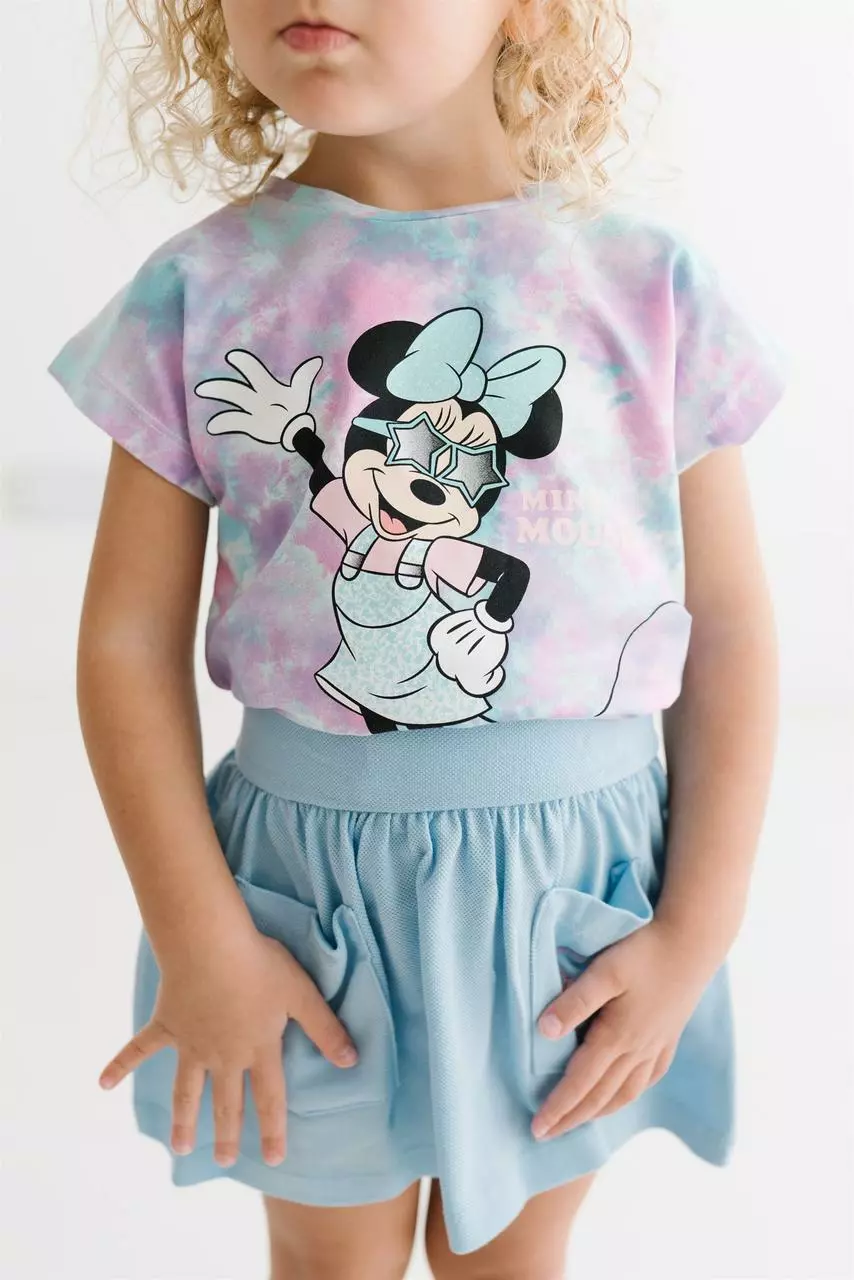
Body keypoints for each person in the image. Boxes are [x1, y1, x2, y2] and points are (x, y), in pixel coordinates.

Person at [48, 1, 789, 1276]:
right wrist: (200, 938)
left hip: (569, 896)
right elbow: (123, 641)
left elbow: (724, 632)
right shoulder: (200, 290)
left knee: (510, 1255)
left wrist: (694, 932)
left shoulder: (646, 283)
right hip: (300, 897)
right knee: (326, 1256)